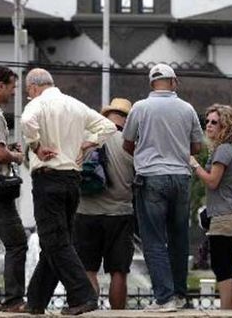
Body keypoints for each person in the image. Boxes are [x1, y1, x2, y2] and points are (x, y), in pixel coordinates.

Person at [21, 68, 117, 315]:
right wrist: (89, 143)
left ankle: (83, 296)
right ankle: (35, 302)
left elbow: (26, 122)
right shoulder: (75, 105)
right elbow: (108, 126)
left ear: (33, 87)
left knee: (56, 242)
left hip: (48, 179)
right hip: (72, 180)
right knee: (54, 242)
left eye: (27, 91)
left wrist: (37, 146)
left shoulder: (38, 104)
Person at [122, 63, 203, 312]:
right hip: (180, 177)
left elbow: (127, 143)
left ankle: (164, 298)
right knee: (179, 239)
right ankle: (179, 295)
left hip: (151, 179)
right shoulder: (187, 109)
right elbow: (197, 147)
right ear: (174, 81)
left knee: (154, 240)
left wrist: (146, 154)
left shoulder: (140, 108)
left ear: (151, 83)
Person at [74, 98, 135, 309]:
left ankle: (90, 311)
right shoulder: (131, 144)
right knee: (119, 271)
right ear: (127, 120)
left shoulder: (85, 138)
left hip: (85, 213)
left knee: (88, 269)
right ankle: (118, 314)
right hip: (120, 214)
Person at [189, 104, 232, 310]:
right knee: (227, 265)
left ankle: (226, 311)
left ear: (225, 126)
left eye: (215, 122)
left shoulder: (223, 150)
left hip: (223, 215)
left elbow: (212, 181)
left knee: (220, 266)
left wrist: (194, 164)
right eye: (207, 121)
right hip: (231, 213)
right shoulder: (230, 149)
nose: (209, 125)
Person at [0, 66, 27, 312]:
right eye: (12, 87)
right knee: (17, 243)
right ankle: (14, 300)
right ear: (1, 85)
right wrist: (17, 156)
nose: (14, 92)